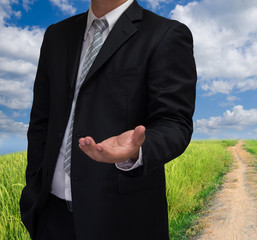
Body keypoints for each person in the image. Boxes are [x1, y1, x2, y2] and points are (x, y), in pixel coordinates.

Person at [19, 0, 197, 239]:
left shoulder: (166, 34)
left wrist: (136, 151)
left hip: (123, 219)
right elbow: (41, 118)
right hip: (51, 215)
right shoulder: (56, 35)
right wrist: (34, 185)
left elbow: (176, 123)